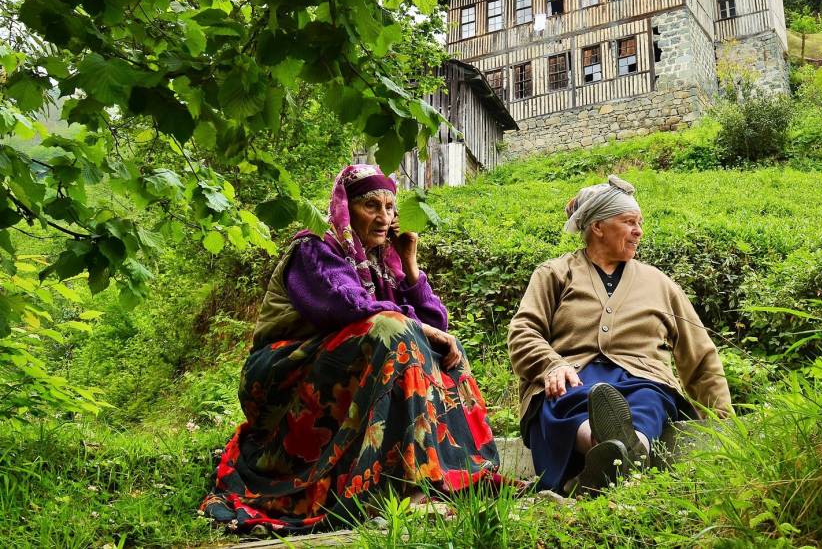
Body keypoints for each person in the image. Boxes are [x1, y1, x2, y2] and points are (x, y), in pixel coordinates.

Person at [201, 164, 504, 533]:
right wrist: (418, 327)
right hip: (281, 373)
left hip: (337, 361)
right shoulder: (314, 248)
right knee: (394, 330)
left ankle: (453, 476)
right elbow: (349, 307)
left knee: (443, 351)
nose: (384, 217)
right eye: (371, 205)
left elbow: (436, 327)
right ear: (346, 208)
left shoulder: (381, 263)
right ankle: (412, 489)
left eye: (389, 207)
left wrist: (409, 263)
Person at [508, 175, 732, 494]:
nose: (638, 231)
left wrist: (722, 422)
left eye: (639, 223)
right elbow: (523, 331)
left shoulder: (659, 284)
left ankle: (618, 452)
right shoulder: (555, 273)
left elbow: (700, 355)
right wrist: (551, 365)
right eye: (629, 222)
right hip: (575, 377)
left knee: (649, 399)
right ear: (598, 227)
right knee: (562, 399)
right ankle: (618, 453)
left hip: (642, 378)